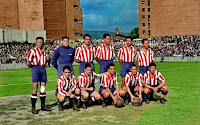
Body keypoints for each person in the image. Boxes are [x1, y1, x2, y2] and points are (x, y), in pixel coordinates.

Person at [27, 37, 51, 114]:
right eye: (38, 42)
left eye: (41, 42)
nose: (40, 43)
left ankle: (43, 105)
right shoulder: (33, 51)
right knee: (35, 87)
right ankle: (33, 107)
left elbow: (47, 60)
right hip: (35, 68)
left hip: (43, 68)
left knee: (43, 88)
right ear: (36, 43)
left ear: (43, 43)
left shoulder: (44, 51)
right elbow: (28, 62)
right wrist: (33, 67)